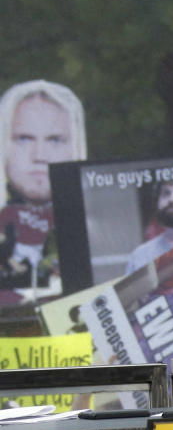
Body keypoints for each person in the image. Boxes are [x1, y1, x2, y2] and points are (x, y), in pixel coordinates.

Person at [0, 80, 86, 287]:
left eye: (55, 140)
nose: (40, 156)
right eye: (24, 139)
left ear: (76, 146)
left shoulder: (98, 225)